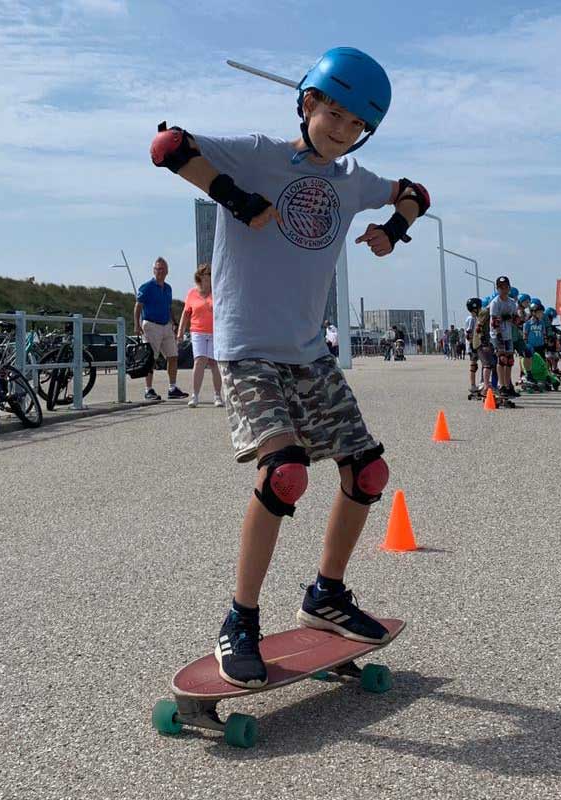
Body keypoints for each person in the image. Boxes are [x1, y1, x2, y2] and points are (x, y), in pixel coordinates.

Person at [149, 45, 428, 688]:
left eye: (357, 125)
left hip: (309, 353)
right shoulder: (256, 154)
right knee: (286, 474)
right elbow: (166, 145)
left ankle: (326, 594)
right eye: (334, 115)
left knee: (369, 469)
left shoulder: (352, 178)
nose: (343, 132)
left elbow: (416, 191)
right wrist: (233, 196)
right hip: (248, 350)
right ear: (307, 103)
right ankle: (239, 620)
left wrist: (394, 229)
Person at [134, 257, 188, 401]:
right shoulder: (146, 287)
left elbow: (168, 307)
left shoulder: (168, 288)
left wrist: (174, 322)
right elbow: (138, 306)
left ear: (167, 271)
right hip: (151, 325)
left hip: (166, 325)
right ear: (153, 270)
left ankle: (172, 388)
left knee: (173, 356)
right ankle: (148, 389)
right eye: (157, 269)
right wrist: (137, 325)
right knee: (151, 358)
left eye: (162, 269)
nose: (160, 272)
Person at [176, 262, 223, 408]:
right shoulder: (192, 293)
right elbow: (185, 314)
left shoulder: (217, 292)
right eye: (206, 274)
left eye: (210, 273)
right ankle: (195, 396)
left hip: (215, 331)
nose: (208, 276)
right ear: (200, 276)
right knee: (199, 361)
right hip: (197, 331)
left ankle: (217, 396)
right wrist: (180, 332)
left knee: (214, 363)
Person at [489, 278, 520, 400]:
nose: (504, 289)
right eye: (501, 287)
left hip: (509, 334)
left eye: (506, 287)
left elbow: (516, 319)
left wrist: (512, 318)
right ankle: (501, 385)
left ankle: (508, 385)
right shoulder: (495, 303)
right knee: (501, 359)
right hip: (498, 334)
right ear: (497, 289)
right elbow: (494, 322)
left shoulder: (511, 302)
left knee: (510, 360)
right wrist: (499, 334)